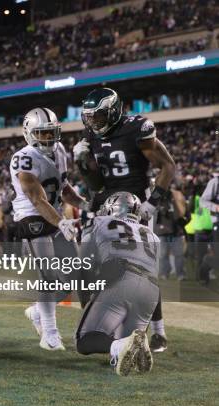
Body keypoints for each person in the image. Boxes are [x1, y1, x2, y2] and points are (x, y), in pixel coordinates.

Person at [73, 87, 176, 352]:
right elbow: (95, 183)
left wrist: (152, 204)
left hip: (134, 204)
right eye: (90, 117)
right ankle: (103, 323)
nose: (93, 122)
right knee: (93, 263)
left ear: (115, 111)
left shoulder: (136, 128)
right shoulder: (91, 135)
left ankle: (159, 332)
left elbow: (168, 166)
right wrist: (84, 164)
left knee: (143, 267)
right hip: (105, 203)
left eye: (99, 116)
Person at [10, 107, 89, 351]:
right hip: (32, 216)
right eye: (42, 134)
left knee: (74, 276)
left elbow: (63, 189)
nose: (48, 138)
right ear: (29, 133)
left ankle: (37, 311)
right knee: (50, 277)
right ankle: (50, 333)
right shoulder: (23, 158)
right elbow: (37, 199)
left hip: (54, 215)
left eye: (51, 133)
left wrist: (84, 205)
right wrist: (61, 222)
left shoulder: (60, 150)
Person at [76, 192, 158, 377]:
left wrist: (86, 298)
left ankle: (119, 346)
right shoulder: (151, 234)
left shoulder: (99, 222)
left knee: (85, 340)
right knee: (129, 340)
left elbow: (85, 264)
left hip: (121, 276)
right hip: (151, 288)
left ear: (113, 208)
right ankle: (129, 346)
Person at [154, 182, 187, 280]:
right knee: (162, 254)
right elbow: (152, 206)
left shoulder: (176, 196)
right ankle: (164, 273)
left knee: (179, 254)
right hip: (162, 231)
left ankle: (180, 274)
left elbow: (183, 213)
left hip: (176, 231)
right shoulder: (156, 196)